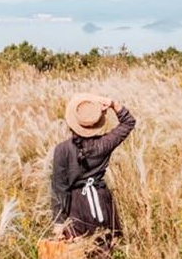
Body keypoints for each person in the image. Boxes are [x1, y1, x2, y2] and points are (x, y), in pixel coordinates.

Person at [50, 93, 136, 257]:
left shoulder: (62, 149)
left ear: (73, 123)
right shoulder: (104, 144)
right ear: (97, 123)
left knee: (79, 250)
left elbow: (59, 187)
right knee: (105, 250)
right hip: (101, 201)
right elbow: (129, 122)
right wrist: (113, 104)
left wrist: (59, 221)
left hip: (76, 206)